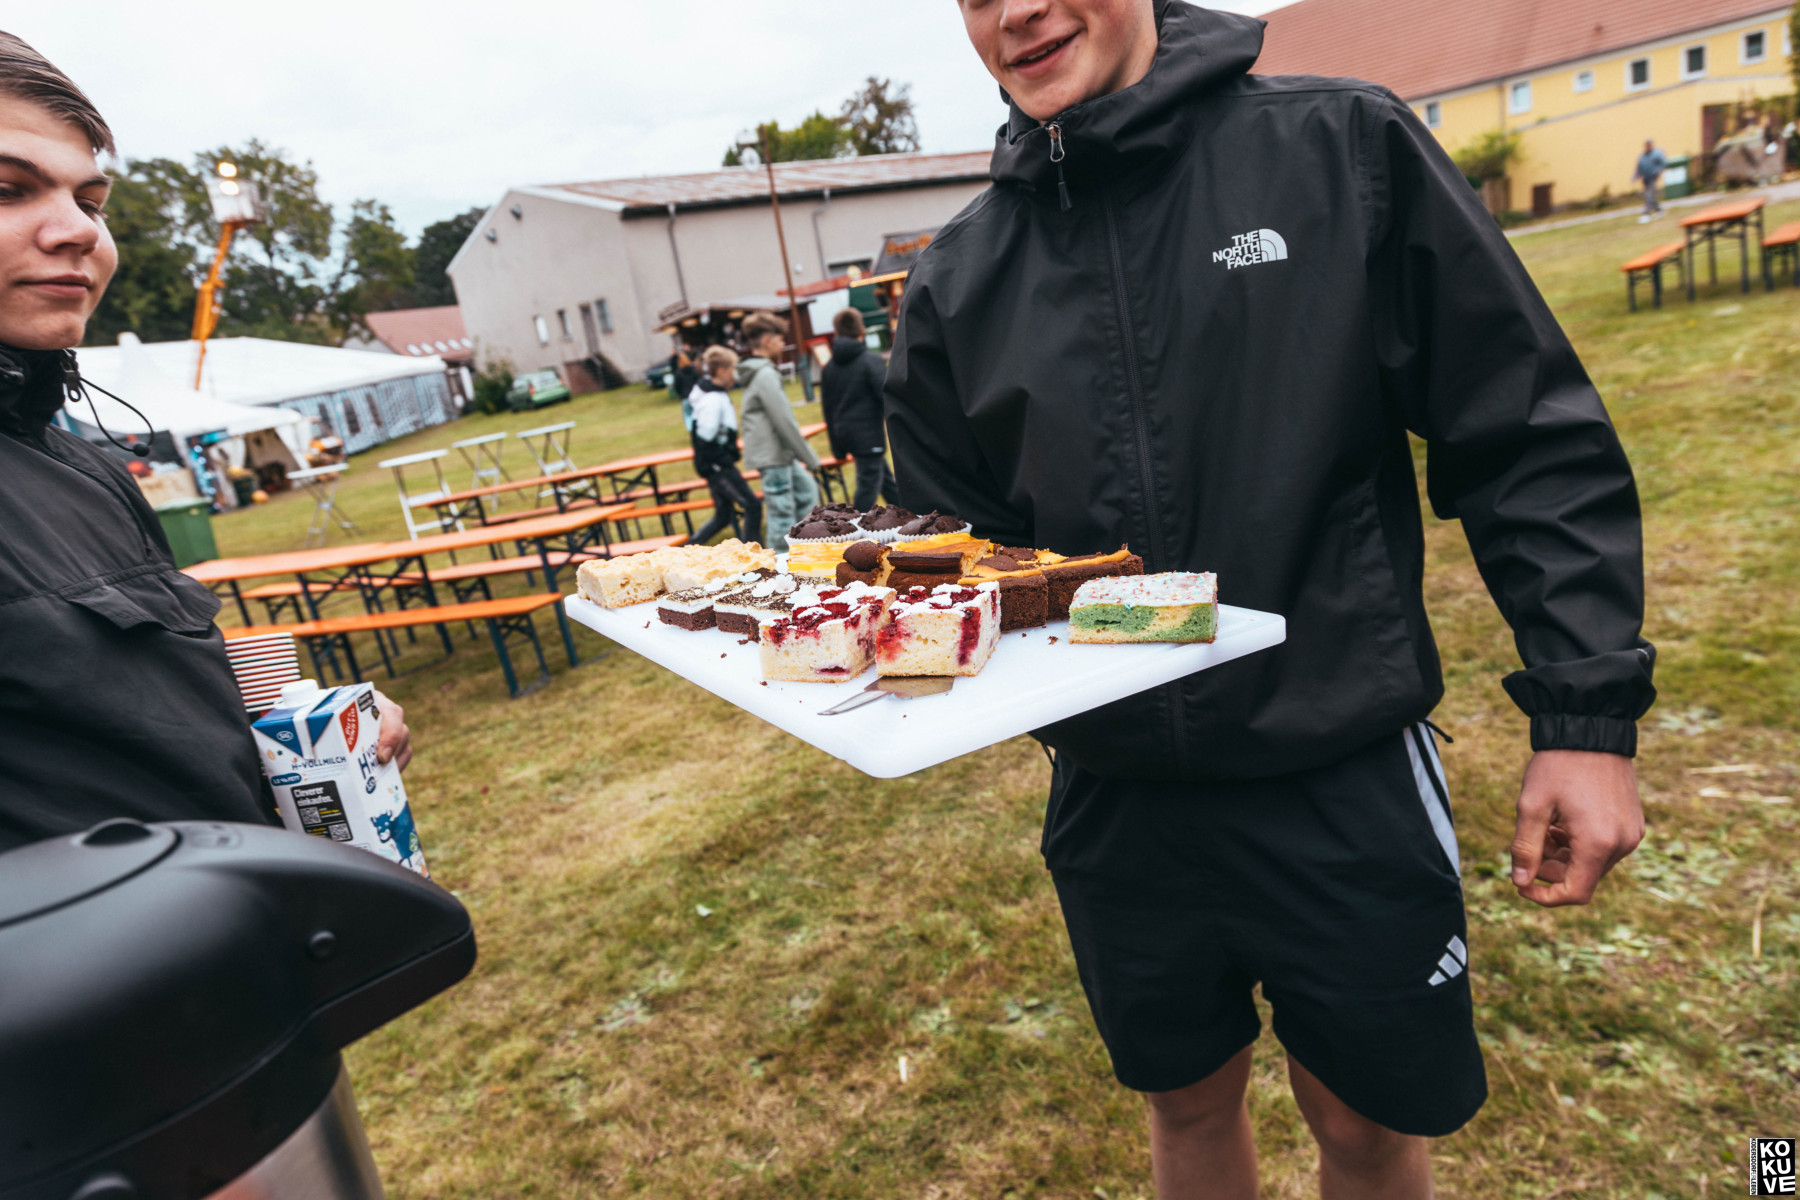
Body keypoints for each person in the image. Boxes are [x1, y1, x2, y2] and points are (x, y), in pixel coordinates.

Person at [886, 3, 1651, 1197]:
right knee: (1186, 1107)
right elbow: (964, 561)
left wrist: (1586, 714)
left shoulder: (1340, 148)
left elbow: (1522, 435)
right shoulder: (959, 276)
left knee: (1363, 1125)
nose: (1017, 10)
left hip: (1337, 775)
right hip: (1116, 801)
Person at [0, 32, 411, 850]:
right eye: (8, 189)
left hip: (249, 913)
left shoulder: (80, 467)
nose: (79, 231)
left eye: (92, 202)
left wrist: (290, 726)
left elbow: (98, 732)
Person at [737, 310, 820, 552]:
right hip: (773, 456)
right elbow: (784, 420)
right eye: (781, 339)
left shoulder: (761, 372)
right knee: (781, 513)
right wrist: (810, 458)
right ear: (767, 341)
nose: (783, 344)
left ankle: (805, 548)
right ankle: (779, 562)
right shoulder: (764, 375)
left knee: (807, 492)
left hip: (779, 454)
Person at [819, 307, 901, 511]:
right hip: (868, 435)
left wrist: (836, 447)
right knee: (867, 488)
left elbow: (827, 408)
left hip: (845, 434)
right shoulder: (871, 361)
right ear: (862, 329)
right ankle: (855, 523)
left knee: (884, 480)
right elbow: (886, 396)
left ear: (836, 332)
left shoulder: (829, 367)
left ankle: (905, 511)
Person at [686, 345, 761, 544]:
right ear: (721, 371)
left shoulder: (715, 395)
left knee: (723, 515)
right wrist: (725, 459)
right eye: (733, 369)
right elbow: (705, 439)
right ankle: (752, 556)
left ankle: (685, 550)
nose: (736, 374)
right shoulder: (712, 400)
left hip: (715, 464)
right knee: (752, 505)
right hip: (717, 466)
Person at [1634, 139, 1667, 221]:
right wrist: (1635, 176)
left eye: (1649, 145)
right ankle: (1660, 210)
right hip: (1645, 178)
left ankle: (1646, 214)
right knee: (1650, 196)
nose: (1648, 146)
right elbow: (1639, 168)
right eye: (1647, 145)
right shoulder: (1643, 156)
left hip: (1653, 177)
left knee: (1648, 195)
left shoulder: (1656, 154)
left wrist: (1658, 171)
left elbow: (1663, 163)